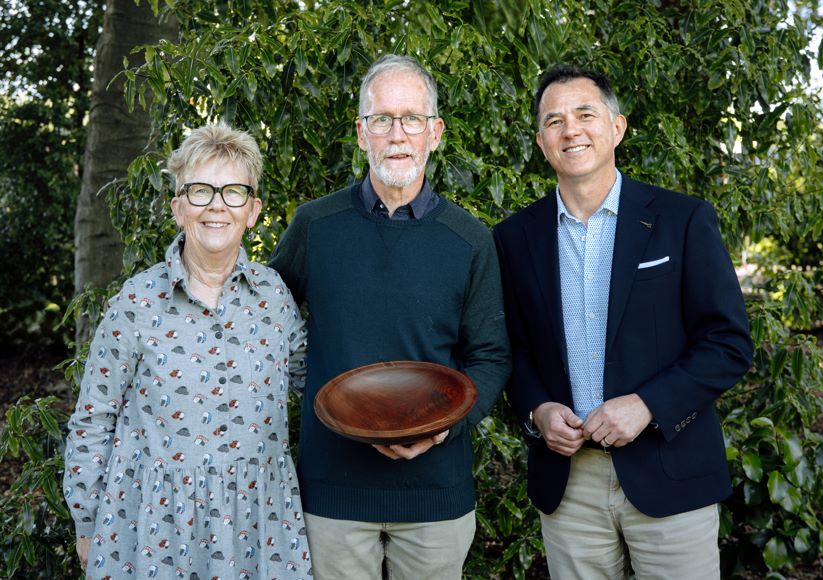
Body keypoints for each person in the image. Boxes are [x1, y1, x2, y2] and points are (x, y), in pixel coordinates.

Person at [492, 65, 753, 579]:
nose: (571, 130)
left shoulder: (683, 220)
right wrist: (539, 410)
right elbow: (513, 350)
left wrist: (647, 405)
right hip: (569, 484)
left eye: (585, 114)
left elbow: (727, 343)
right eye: (554, 121)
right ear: (542, 141)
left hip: (670, 469)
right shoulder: (513, 238)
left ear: (618, 127)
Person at [268, 54, 510, 580]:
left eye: (412, 119)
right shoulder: (316, 226)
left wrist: (447, 429)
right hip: (332, 492)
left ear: (435, 132)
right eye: (382, 119)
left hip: (436, 497)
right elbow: (261, 322)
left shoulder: (470, 240)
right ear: (361, 133)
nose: (397, 134)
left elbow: (491, 356)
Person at [64, 122, 312, 579]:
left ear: (253, 210)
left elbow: (316, 385)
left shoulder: (274, 299)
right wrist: (86, 522)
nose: (217, 204)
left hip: (258, 528)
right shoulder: (136, 304)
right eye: (200, 191)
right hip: (151, 530)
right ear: (178, 208)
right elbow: (93, 417)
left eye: (233, 191)